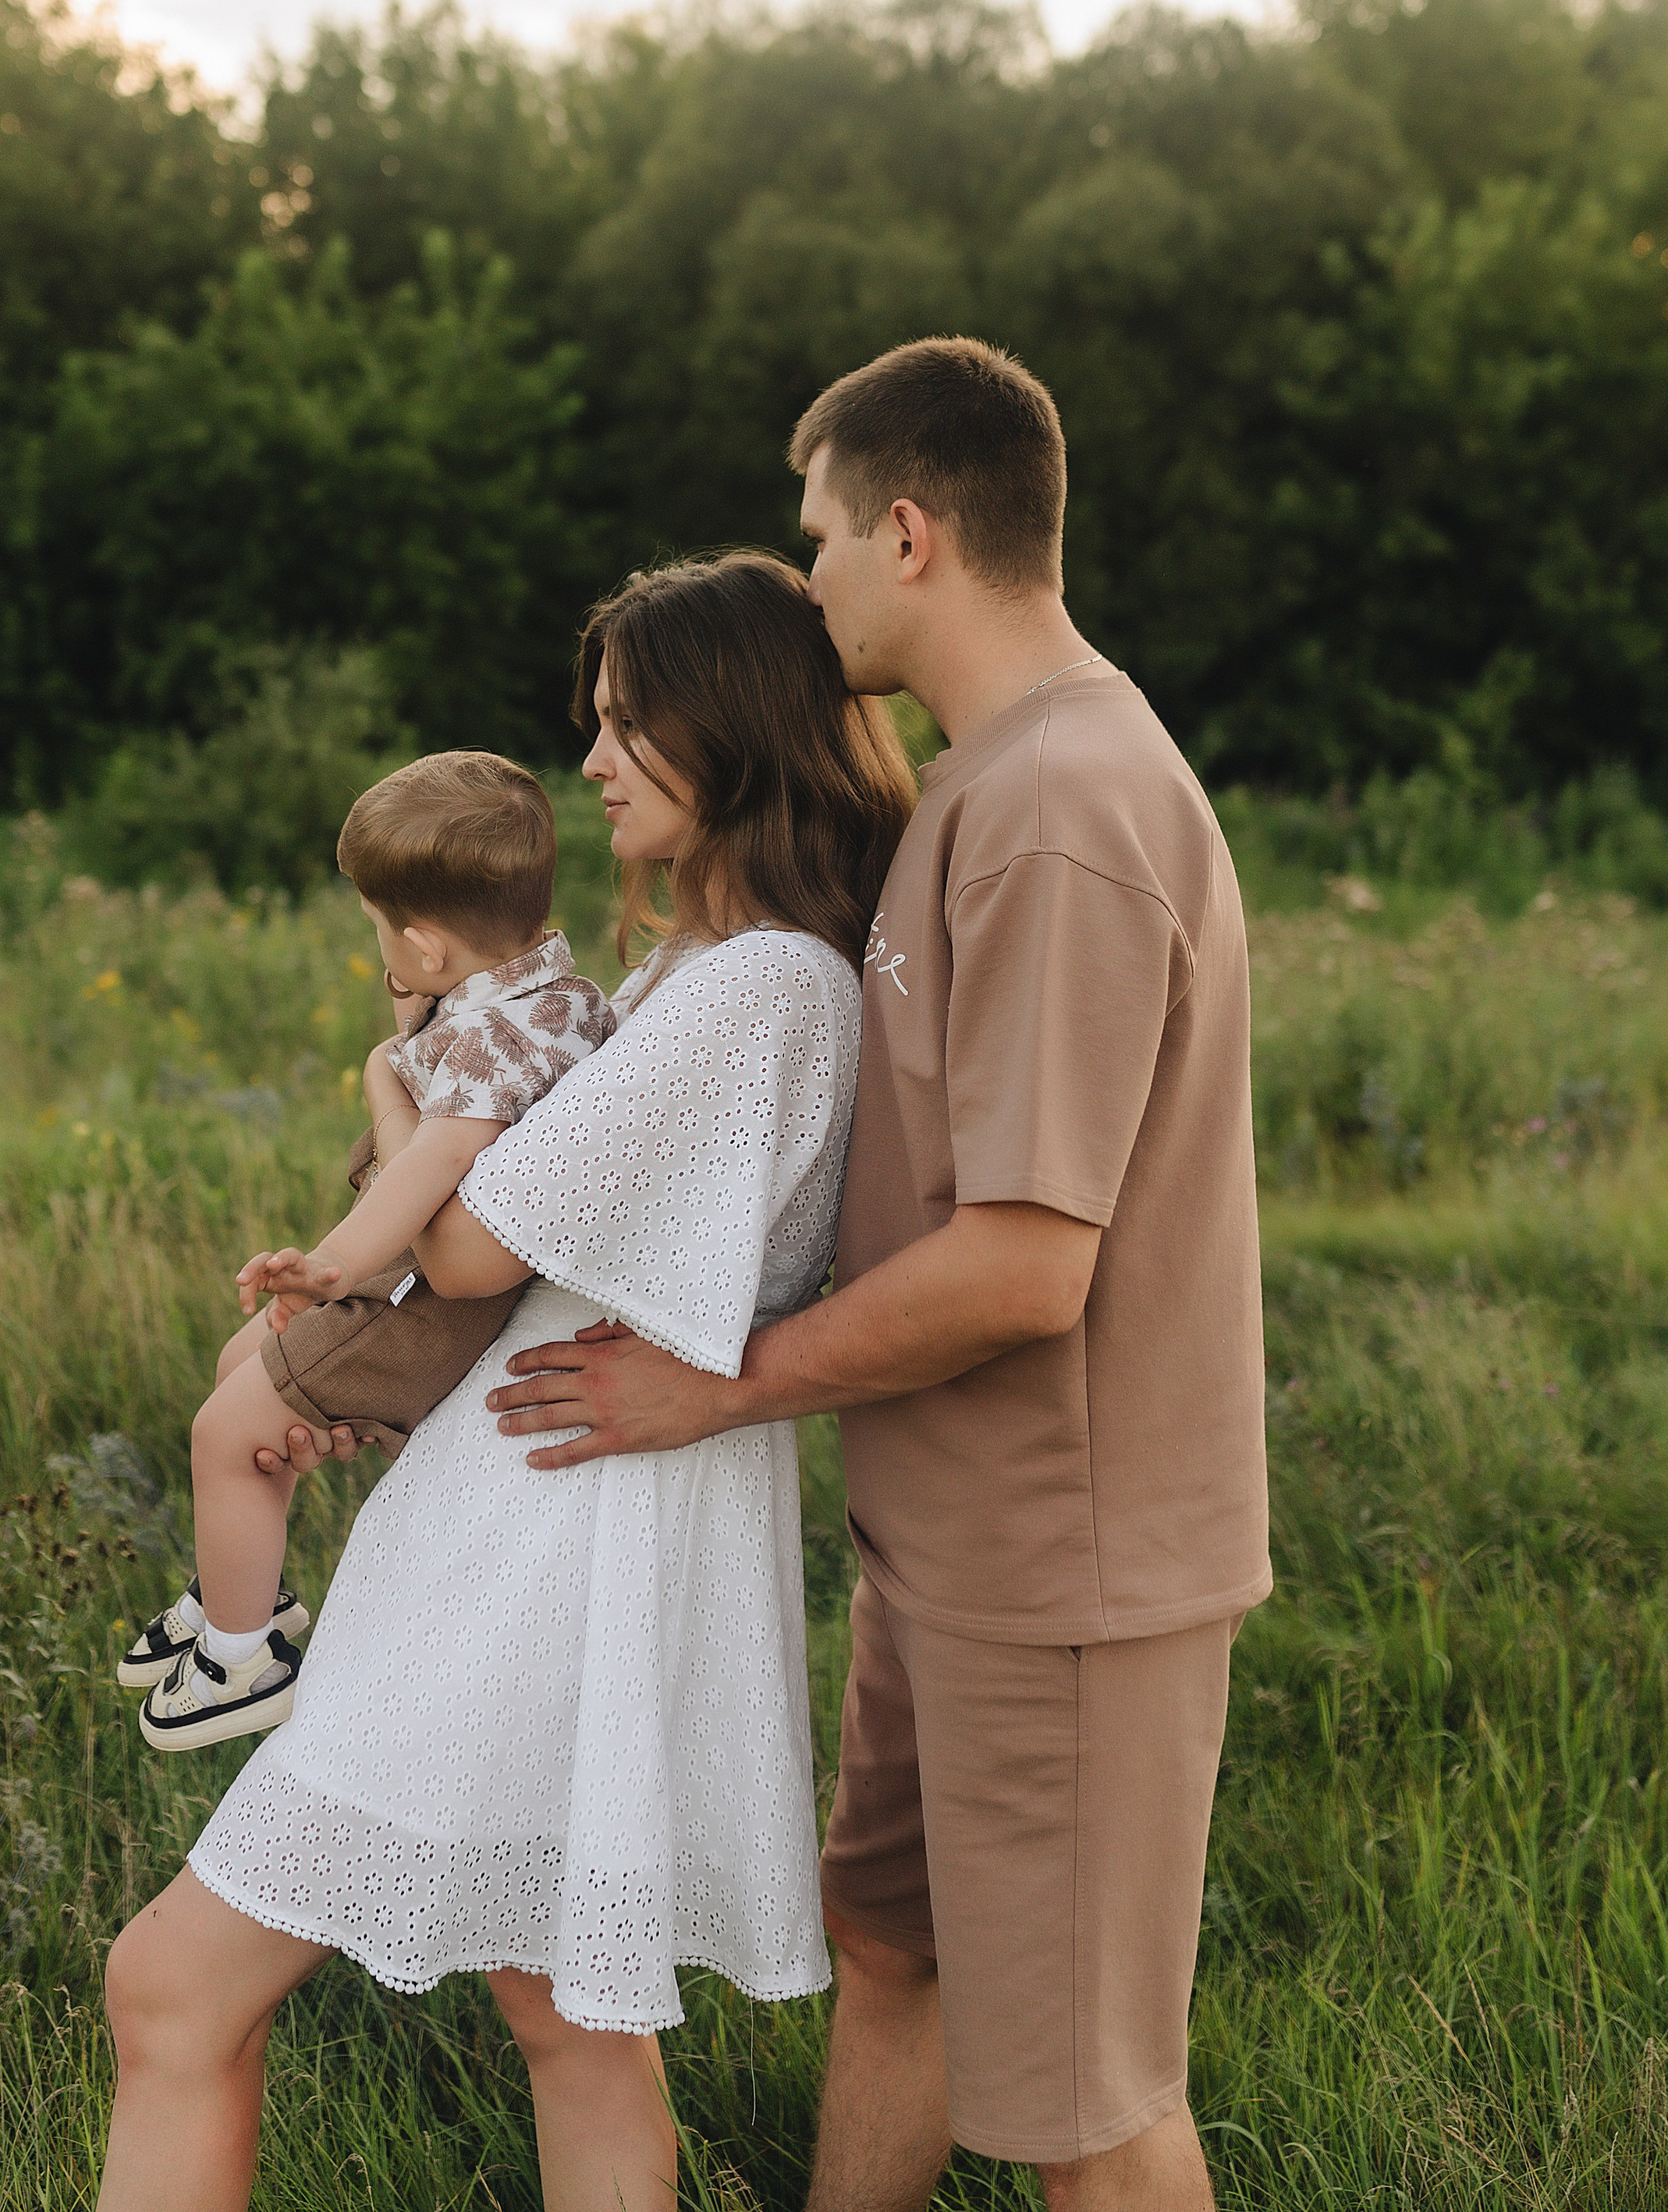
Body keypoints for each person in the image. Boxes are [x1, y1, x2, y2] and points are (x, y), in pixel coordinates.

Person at [491, 339, 1271, 2212]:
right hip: (956, 1546)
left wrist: (717, 1378)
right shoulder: (983, 788)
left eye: (819, 531)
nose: (808, 573)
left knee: (1088, 2110)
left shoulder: (1062, 811)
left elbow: (1021, 1267)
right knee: (895, 1954)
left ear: (908, 531)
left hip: (1065, 1571)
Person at [95, 551, 915, 2212]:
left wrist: (396, 1101)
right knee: (565, 2020)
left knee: (170, 1984)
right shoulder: (723, 973)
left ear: (730, 735)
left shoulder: (757, 983)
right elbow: (544, 1252)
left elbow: (472, 1249)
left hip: (538, 1547)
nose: (594, 761)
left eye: (627, 725)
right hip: (562, 1500)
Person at [116, 748, 616, 1752]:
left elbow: (425, 1182)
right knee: (237, 1371)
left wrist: (333, 1263)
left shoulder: (488, 1047)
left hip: (437, 1310)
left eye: (381, 928)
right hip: (433, 1286)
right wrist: (410, 1027)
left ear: (426, 947)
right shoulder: (556, 997)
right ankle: (238, 1588)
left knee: (224, 1434)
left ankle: (240, 1660)